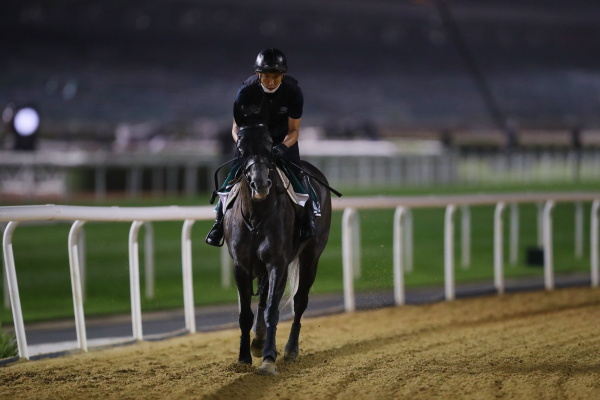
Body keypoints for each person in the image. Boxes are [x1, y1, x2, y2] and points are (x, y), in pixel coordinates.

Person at [205, 48, 316, 247]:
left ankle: (309, 218)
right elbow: (235, 128)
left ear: (284, 74)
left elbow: (294, 131)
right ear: (258, 75)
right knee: (232, 177)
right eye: (266, 76)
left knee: (298, 175)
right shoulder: (246, 91)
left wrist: (282, 147)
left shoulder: (293, 91)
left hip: (283, 141)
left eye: (276, 76)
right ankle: (218, 223)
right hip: (252, 142)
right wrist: (243, 144)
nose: (271, 82)